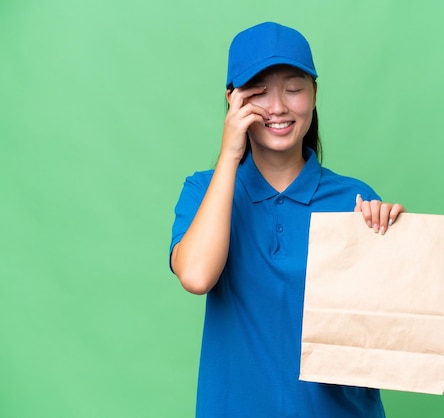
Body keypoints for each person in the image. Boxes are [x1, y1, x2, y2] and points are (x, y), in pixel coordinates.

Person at [170, 21, 405, 417]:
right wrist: (229, 155)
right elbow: (196, 276)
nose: (278, 107)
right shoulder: (203, 192)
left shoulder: (354, 199)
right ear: (232, 100)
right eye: (260, 92)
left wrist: (386, 238)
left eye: (294, 89)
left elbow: (385, 338)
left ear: (314, 95)